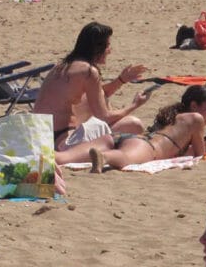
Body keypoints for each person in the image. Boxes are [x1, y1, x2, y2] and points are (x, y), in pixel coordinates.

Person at [32, 22, 150, 163]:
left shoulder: (62, 66)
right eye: (107, 46)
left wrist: (121, 80)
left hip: (41, 135)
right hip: (64, 142)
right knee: (133, 124)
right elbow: (104, 116)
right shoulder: (88, 71)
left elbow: (95, 96)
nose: (109, 50)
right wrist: (135, 105)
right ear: (97, 48)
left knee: (105, 114)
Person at [85, 85, 206, 172]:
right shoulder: (196, 119)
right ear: (193, 105)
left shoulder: (172, 118)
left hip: (130, 139)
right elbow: (199, 155)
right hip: (145, 147)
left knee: (66, 157)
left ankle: (98, 156)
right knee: (124, 158)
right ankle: (105, 157)